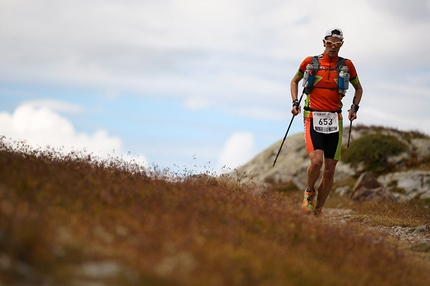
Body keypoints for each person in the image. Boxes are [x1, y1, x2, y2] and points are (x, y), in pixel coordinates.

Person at [290, 27, 363, 217]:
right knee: (316, 162)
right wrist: (294, 103)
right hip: (312, 116)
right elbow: (294, 81)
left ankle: (318, 210)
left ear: (341, 45)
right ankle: (309, 192)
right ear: (324, 42)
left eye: (337, 44)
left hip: (334, 119)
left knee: (329, 170)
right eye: (329, 43)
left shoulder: (346, 65)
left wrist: (353, 109)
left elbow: (359, 89)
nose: (333, 47)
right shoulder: (310, 62)